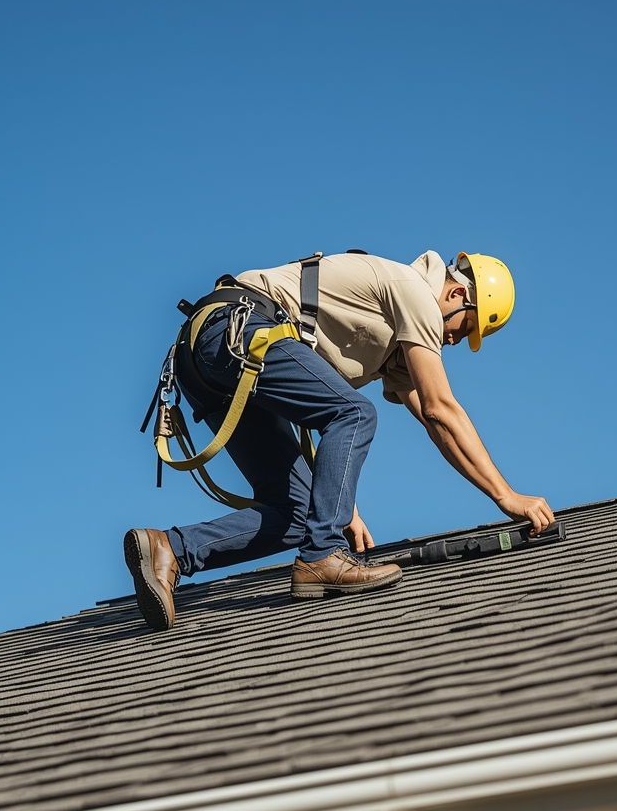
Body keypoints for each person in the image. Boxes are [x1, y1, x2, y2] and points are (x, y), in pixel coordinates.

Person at [124, 250, 554, 631]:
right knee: (357, 413)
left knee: (300, 514)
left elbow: (429, 421)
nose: (454, 340)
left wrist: (341, 507)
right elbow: (440, 408)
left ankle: (170, 550)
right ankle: (322, 556)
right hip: (238, 330)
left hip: (210, 359)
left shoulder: (394, 346)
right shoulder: (414, 291)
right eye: (465, 327)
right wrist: (507, 496)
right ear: (458, 294)